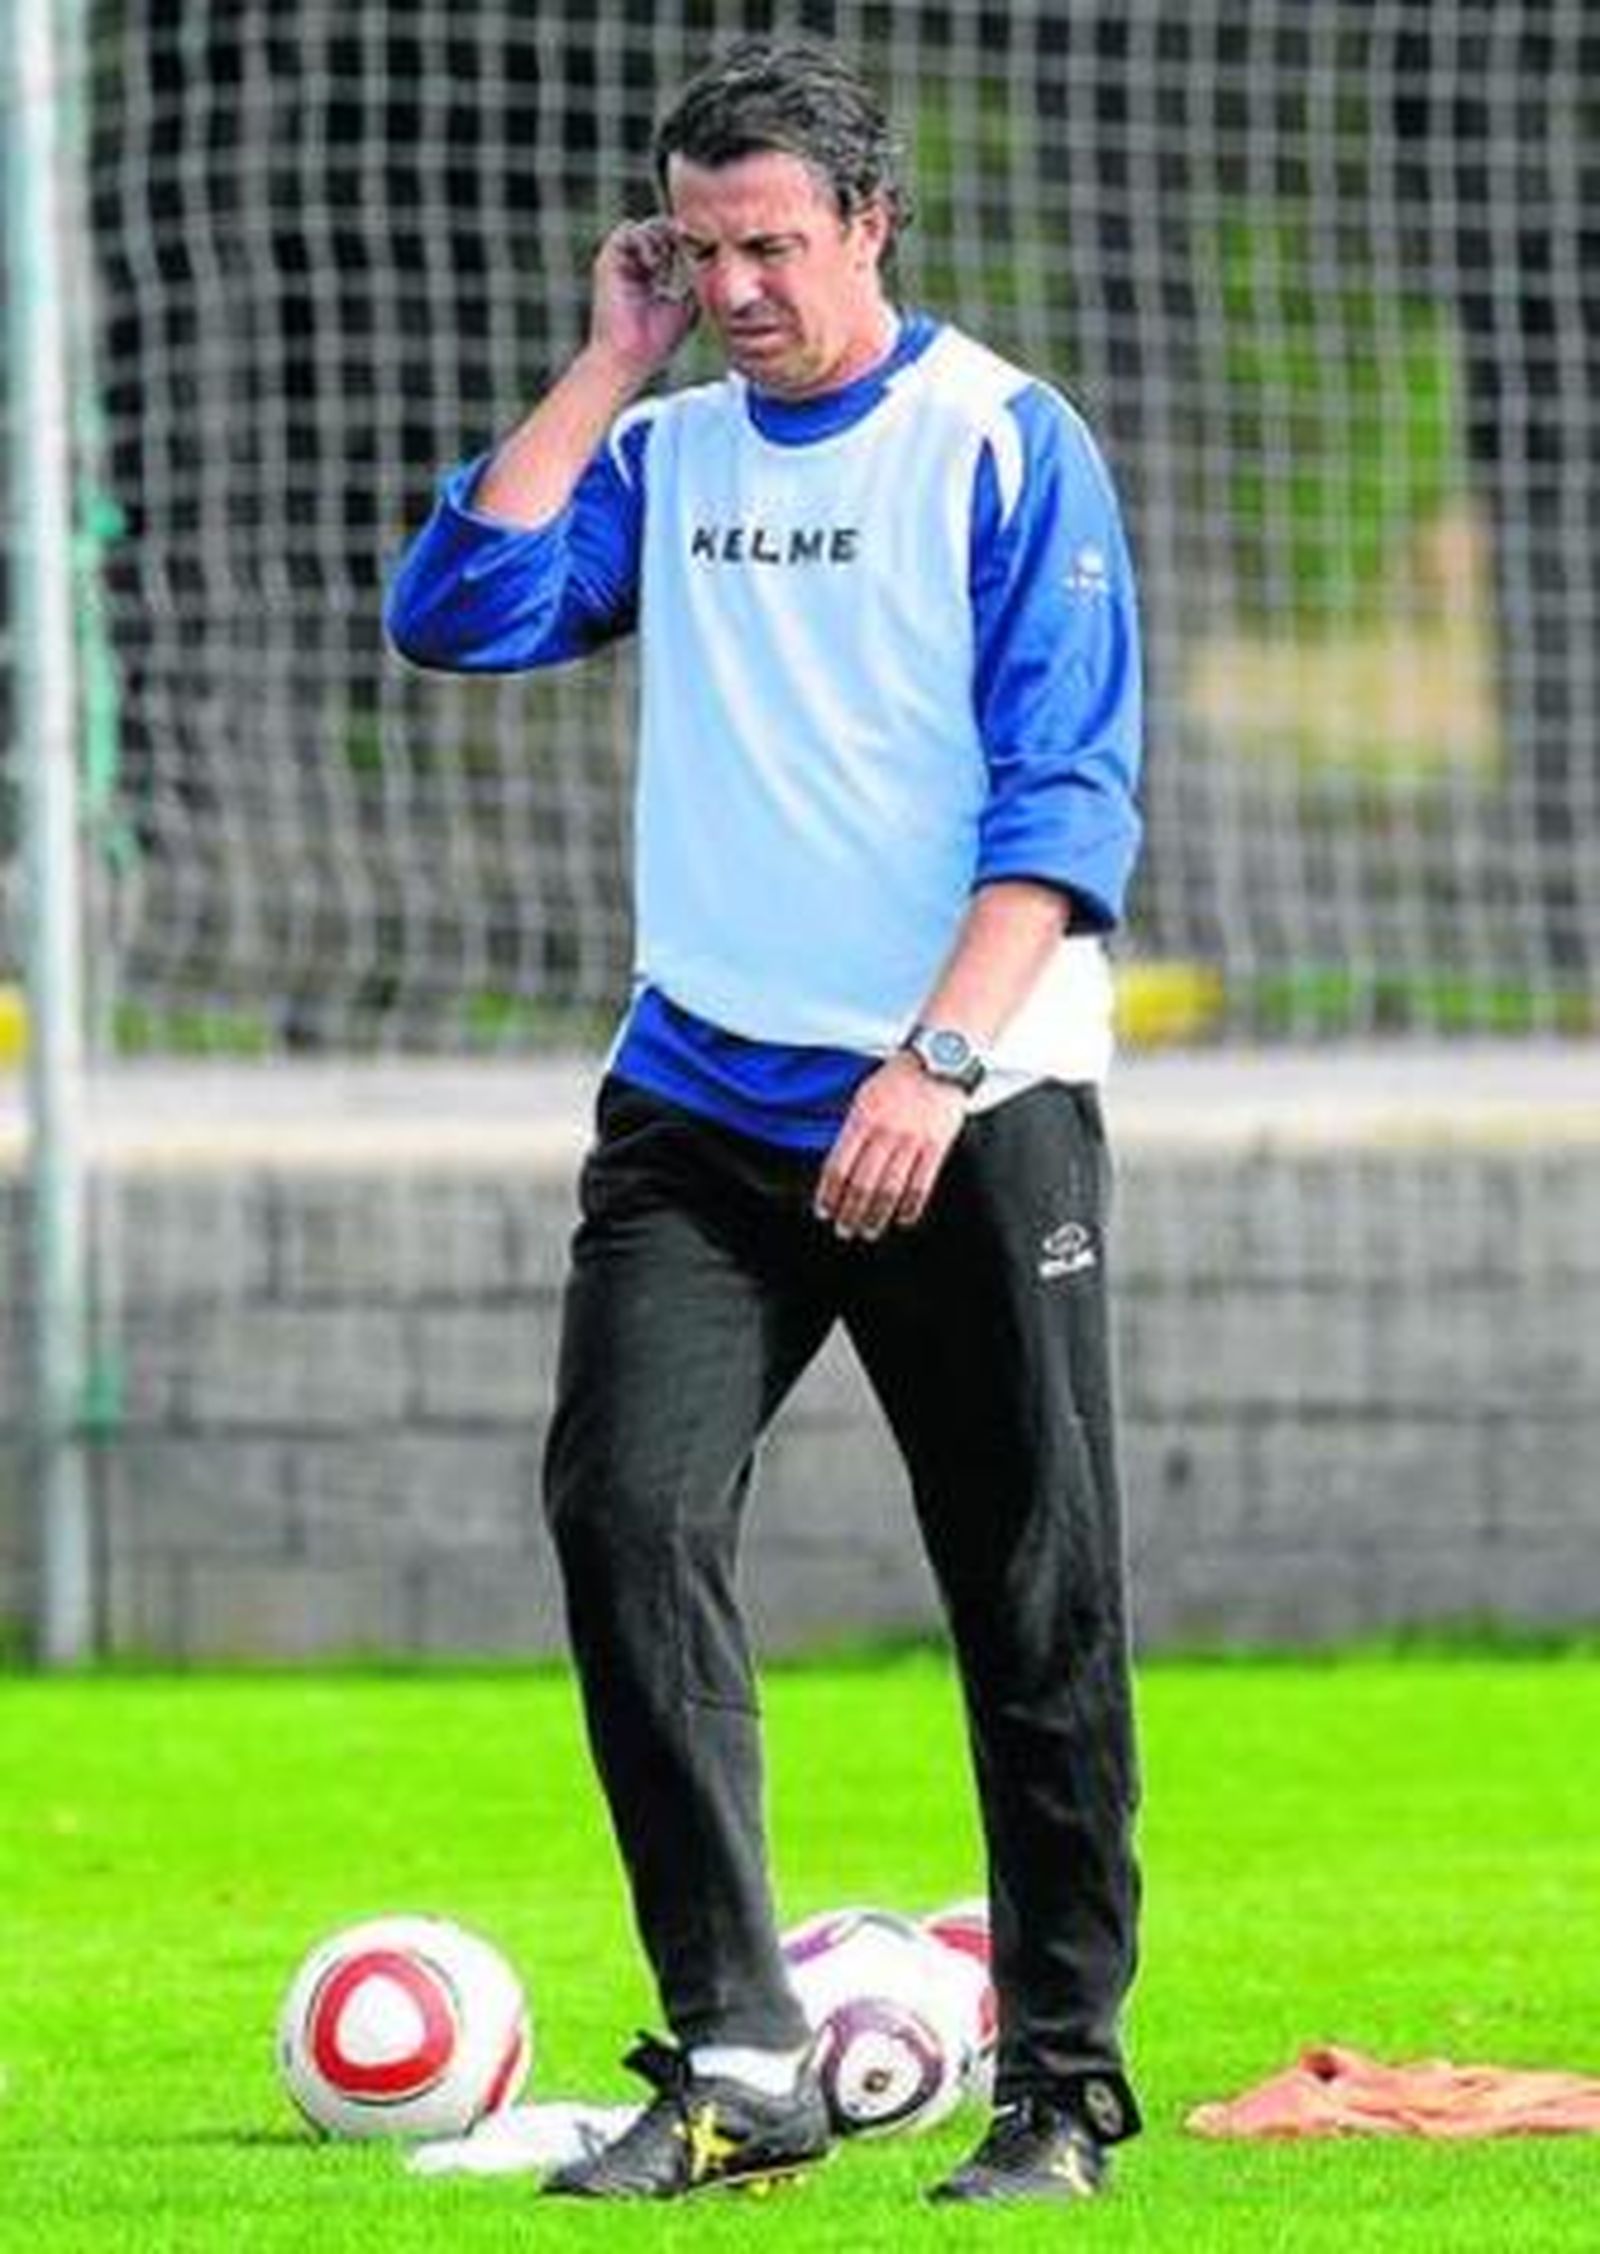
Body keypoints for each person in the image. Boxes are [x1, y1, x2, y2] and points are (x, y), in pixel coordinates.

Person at [386, 33, 1144, 2207]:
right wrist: (600, 363)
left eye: (769, 246)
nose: (732, 286)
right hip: (697, 1104)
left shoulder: (1000, 440)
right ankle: (738, 2049)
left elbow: (1062, 798)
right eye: (694, 249)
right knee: (621, 1515)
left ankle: (1061, 2081)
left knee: (1028, 1592)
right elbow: (456, 610)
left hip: (965, 1104)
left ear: (869, 227)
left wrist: (935, 1060)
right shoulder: (672, 447)